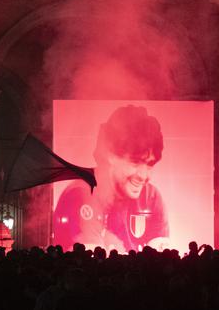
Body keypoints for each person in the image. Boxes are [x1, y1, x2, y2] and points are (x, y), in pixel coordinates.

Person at [53, 105, 169, 252]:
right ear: (111, 154)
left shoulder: (151, 197)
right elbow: (93, 266)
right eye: (135, 162)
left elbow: (160, 260)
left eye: (150, 165)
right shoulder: (82, 194)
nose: (143, 176)